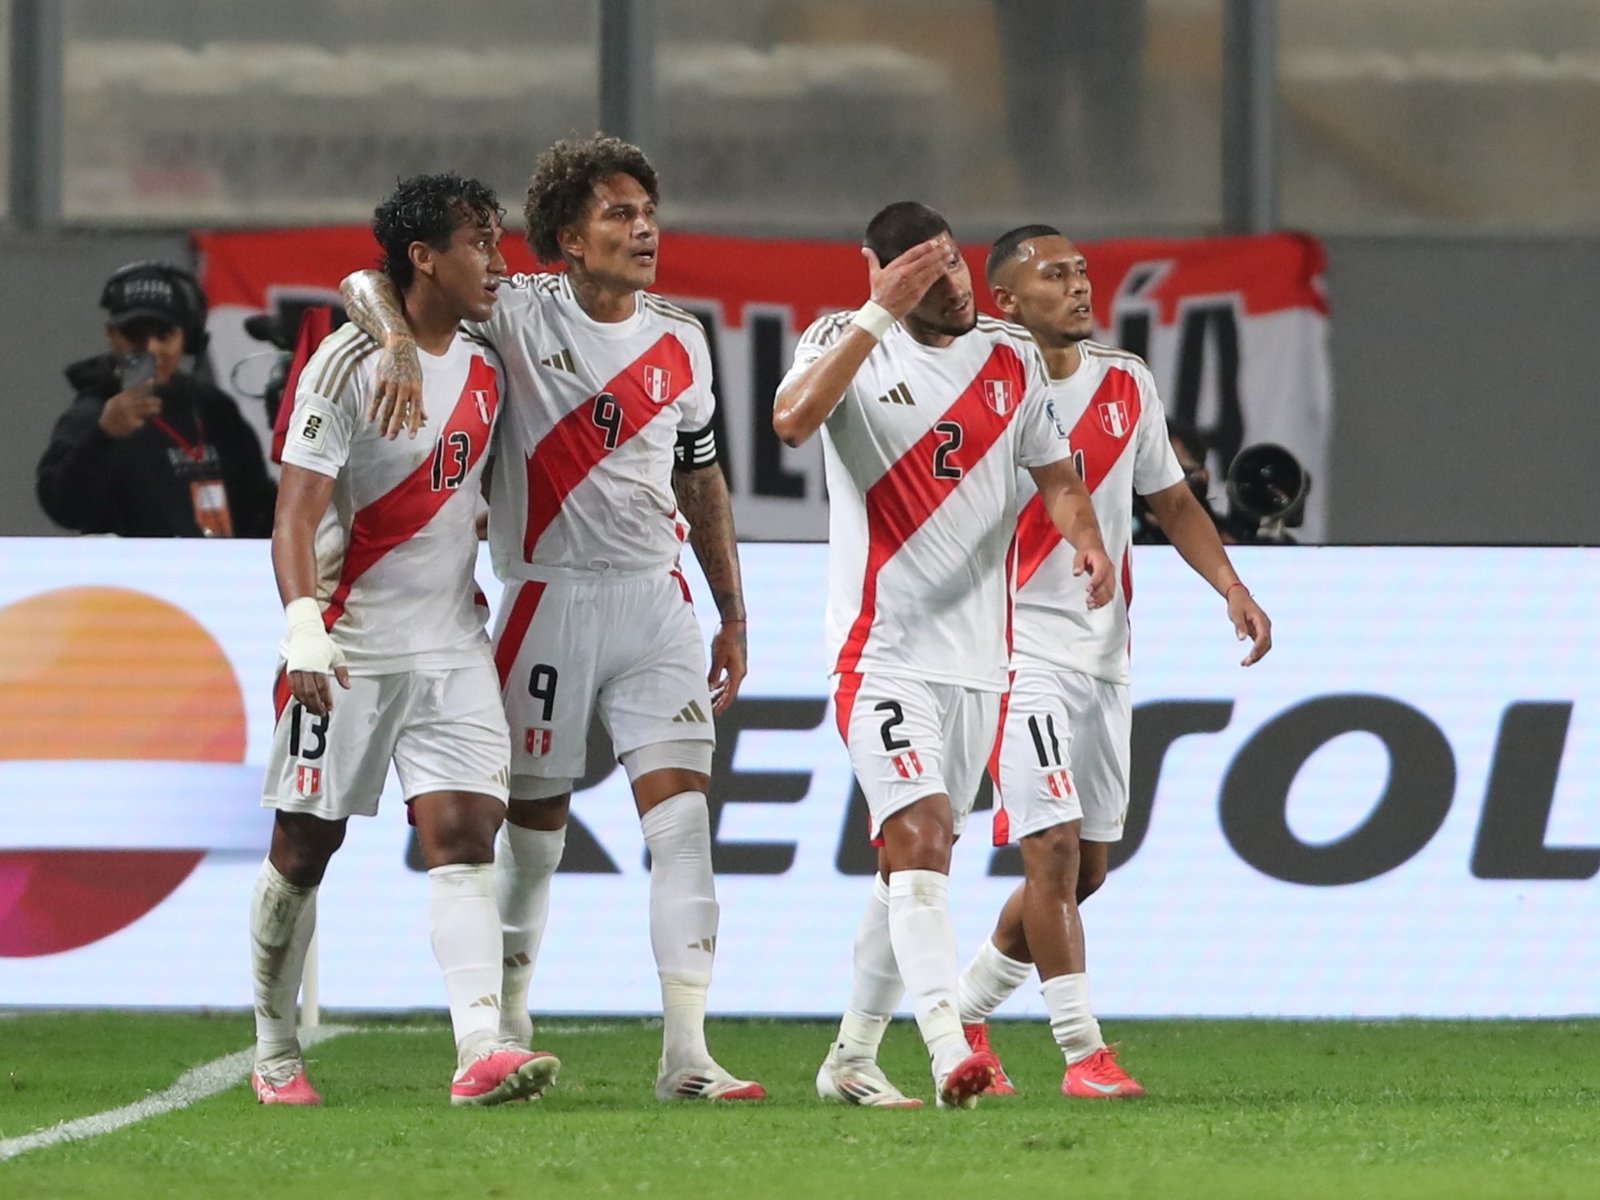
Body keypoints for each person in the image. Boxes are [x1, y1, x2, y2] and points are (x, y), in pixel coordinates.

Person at [342, 135, 762, 1102]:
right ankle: (507, 1025)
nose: (644, 229)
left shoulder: (682, 338)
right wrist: (398, 339)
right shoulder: (518, 310)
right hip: (545, 598)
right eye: (619, 214)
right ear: (568, 238)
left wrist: (732, 613)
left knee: (683, 828)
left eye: (648, 213)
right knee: (533, 840)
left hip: (657, 605)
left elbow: (702, 480)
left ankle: (687, 1055)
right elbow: (363, 283)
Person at [772, 202, 1114, 1109]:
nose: (954, 284)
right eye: (926, 272)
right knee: (920, 837)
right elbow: (793, 422)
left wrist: (1085, 538)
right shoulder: (844, 340)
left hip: (979, 666)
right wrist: (879, 311)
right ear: (882, 271)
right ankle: (946, 1048)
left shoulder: (1008, 357)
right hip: (880, 651)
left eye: (954, 263)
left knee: (906, 871)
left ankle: (851, 1059)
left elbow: (1058, 477)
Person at [251, 173, 560, 1108]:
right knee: (303, 851)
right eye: (479, 243)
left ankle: (479, 1051)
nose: (498, 261)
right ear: (424, 258)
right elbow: (294, 516)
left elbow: (368, 279)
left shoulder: (489, 355)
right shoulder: (346, 364)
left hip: (452, 642)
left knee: (465, 837)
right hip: (347, 650)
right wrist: (303, 628)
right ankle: (274, 1049)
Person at [956, 225, 1273, 1098]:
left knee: (1085, 870)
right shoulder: (981, 382)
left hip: (1102, 652)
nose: (1078, 285)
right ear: (1006, 301)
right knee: (1052, 849)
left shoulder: (1125, 380)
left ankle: (960, 1010)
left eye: (1081, 271)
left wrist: (1232, 587)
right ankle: (1082, 1054)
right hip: (1013, 646)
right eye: (1053, 275)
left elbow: (1172, 502)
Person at [37, 261, 276, 537]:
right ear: (112, 335)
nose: (151, 348)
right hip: (134, 566)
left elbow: (257, 505)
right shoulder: (91, 415)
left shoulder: (213, 407)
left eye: (164, 334)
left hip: (220, 562)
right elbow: (63, 509)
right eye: (135, 335)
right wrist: (102, 437)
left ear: (186, 337)